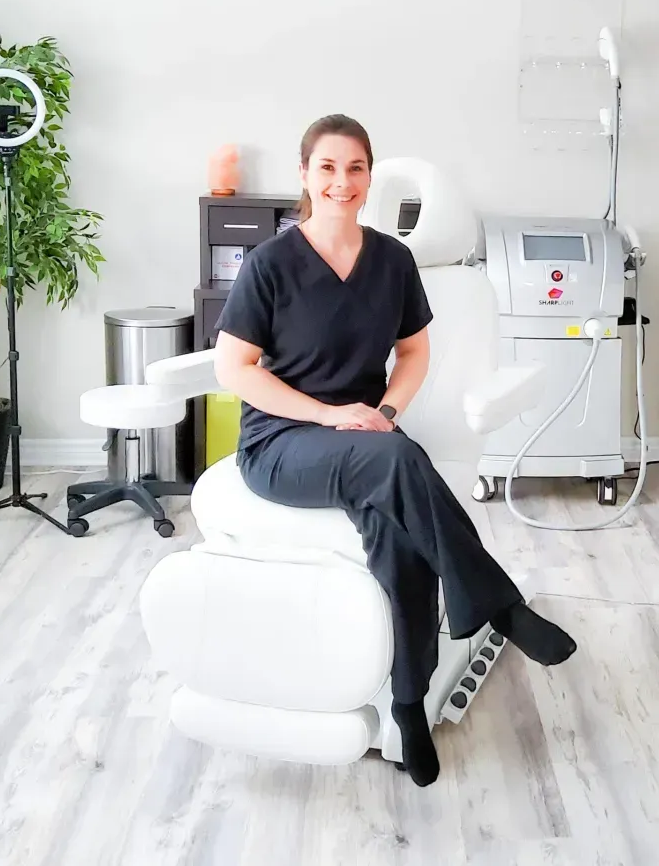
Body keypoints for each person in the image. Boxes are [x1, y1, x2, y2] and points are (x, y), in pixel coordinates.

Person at [210, 114, 576, 787]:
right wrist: (328, 413)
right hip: (282, 442)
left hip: (367, 439)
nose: (342, 182)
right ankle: (500, 606)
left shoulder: (393, 261)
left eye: (355, 168)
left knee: (402, 535)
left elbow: (414, 352)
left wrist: (382, 413)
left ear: (369, 176)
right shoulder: (270, 264)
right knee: (402, 462)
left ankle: (408, 705)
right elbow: (234, 370)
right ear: (305, 175)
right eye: (327, 168)